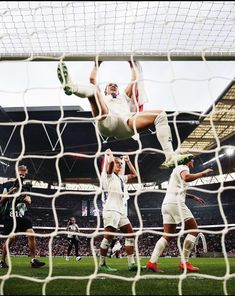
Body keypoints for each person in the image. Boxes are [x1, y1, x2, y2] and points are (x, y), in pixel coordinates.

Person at [57, 61, 193, 168]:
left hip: (125, 125)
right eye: (110, 85)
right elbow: (92, 79)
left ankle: (170, 156)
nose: (113, 85)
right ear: (105, 90)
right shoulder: (103, 97)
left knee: (160, 115)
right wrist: (97, 64)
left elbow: (134, 80)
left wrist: (131, 64)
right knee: (93, 91)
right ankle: (71, 87)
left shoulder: (123, 97)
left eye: (115, 85)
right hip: (107, 122)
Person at [146, 156, 213, 273]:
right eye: (192, 159)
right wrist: (203, 173)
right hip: (175, 203)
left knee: (167, 235)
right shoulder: (183, 167)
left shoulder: (177, 170)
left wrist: (193, 197)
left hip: (167, 204)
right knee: (193, 230)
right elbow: (186, 177)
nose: (193, 160)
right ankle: (184, 262)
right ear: (187, 160)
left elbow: (179, 189)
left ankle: (152, 262)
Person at [98, 149, 139, 272]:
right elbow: (110, 165)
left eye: (121, 164)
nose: (120, 165)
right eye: (118, 163)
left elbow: (135, 175)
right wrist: (110, 156)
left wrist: (128, 161)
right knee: (108, 237)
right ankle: (102, 264)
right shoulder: (108, 175)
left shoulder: (121, 178)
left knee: (130, 234)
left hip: (120, 211)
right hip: (111, 209)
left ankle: (131, 264)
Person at [0, 165, 45, 268]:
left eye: (23, 174)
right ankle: (2, 260)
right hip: (10, 214)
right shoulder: (7, 184)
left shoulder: (26, 187)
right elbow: (2, 200)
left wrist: (22, 197)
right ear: (16, 172)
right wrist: (13, 191)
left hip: (22, 213)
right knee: (12, 238)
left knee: (31, 233)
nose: (21, 176)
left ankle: (33, 260)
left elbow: (29, 201)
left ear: (26, 173)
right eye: (20, 174)